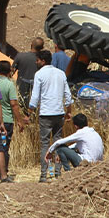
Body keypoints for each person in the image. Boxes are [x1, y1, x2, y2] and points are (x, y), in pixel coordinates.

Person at [29, 50, 73, 182]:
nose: (36, 62)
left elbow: (35, 96)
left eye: (37, 60)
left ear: (42, 61)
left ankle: (44, 174)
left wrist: (30, 112)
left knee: (44, 144)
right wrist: (68, 111)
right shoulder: (60, 73)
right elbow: (68, 95)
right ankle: (58, 173)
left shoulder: (39, 74)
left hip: (46, 113)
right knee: (58, 142)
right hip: (59, 113)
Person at [0, 61, 26, 178]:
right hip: (6, 119)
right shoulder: (9, 84)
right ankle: (3, 172)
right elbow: (14, 104)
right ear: (10, 71)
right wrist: (20, 121)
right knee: (4, 147)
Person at [13, 37, 43, 104]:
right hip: (37, 90)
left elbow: (11, 72)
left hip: (21, 89)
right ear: (41, 48)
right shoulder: (43, 60)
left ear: (31, 44)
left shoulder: (20, 56)